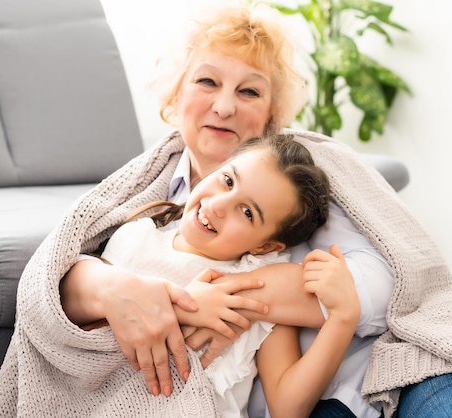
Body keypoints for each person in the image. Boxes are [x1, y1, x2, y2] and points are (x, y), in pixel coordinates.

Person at [0, 3, 452, 418]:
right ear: (174, 95)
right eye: (207, 81)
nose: (225, 104)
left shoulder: (311, 179)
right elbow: (57, 277)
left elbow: (396, 281)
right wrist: (124, 290)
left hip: (393, 365)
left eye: (250, 92)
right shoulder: (144, 207)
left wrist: (205, 303)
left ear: (274, 114)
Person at [87, 134, 358, 417]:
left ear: (265, 246)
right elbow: (89, 335)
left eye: (247, 212)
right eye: (228, 181)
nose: (218, 205)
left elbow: (288, 409)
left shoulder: (260, 291)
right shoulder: (136, 240)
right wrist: (183, 307)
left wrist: (343, 318)